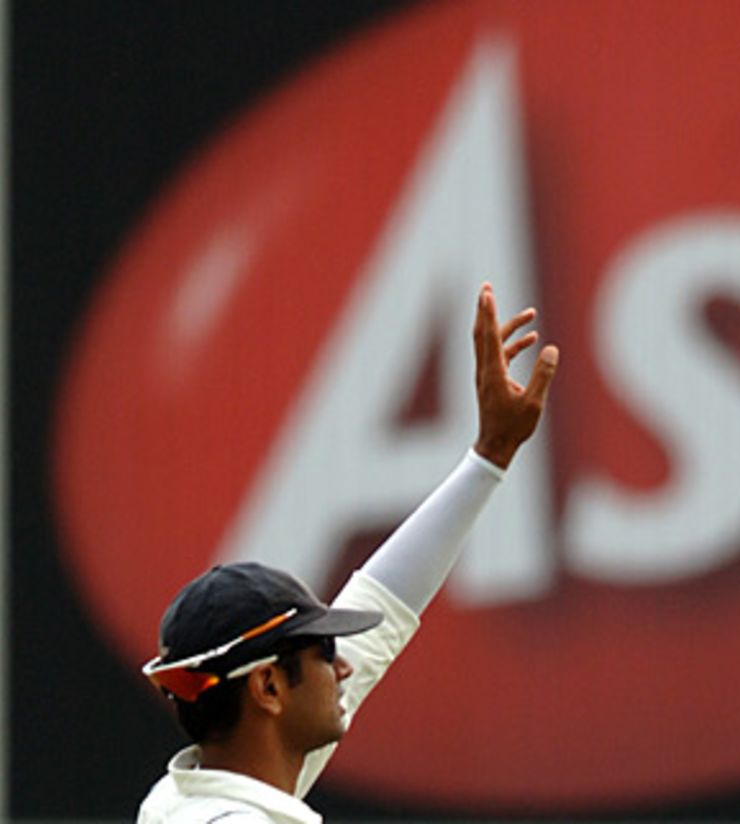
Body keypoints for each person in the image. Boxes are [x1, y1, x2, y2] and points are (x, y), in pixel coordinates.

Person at [136, 282, 558, 824]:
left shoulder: (192, 796)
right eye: (323, 652)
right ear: (268, 687)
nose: (343, 667)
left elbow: (385, 603)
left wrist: (490, 456)